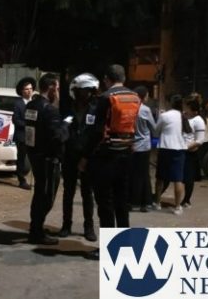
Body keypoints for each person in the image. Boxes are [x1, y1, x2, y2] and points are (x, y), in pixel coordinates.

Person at [80, 65, 141, 259]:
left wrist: (85, 156)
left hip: (106, 156)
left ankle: (108, 249)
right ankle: (125, 246)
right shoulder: (134, 97)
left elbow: (98, 131)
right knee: (122, 203)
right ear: (124, 78)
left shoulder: (106, 98)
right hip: (126, 154)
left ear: (107, 79)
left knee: (105, 205)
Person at [24, 73, 67, 245]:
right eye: (57, 88)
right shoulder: (49, 109)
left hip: (34, 154)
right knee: (47, 195)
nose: (57, 92)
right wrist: (66, 125)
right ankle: (36, 231)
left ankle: (36, 227)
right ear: (50, 88)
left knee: (39, 192)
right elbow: (58, 136)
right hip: (48, 158)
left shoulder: (31, 105)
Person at [56, 73, 97, 242]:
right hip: (70, 156)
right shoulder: (68, 109)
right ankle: (66, 225)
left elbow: (96, 134)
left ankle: (89, 227)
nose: (87, 94)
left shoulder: (95, 109)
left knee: (87, 193)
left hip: (88, 157)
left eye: (89, 90)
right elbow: (63, 128)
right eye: (84, 90)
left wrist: (88, 156)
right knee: (68, 192)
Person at [153, 94, 191, 215]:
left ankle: (157, 203)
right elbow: (188, 133)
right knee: (178, 179)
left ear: (170, 103)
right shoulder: (182, 116)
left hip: (165, 147)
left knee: (160, 177)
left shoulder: (164, 116)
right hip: (179, 149)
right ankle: (178, 206)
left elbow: (156, 131)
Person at [129, 85, 156, 213]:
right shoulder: (145, 110)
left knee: (132, 174)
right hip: (144, 146)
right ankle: (144, 202)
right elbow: (153, 128)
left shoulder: (129, 108)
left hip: (131, 145)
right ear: (144, 96)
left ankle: (132, 201)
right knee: (144, 174)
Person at [182, 97, 207, 208]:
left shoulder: (198, 121)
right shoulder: (184, 117)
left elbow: (199, 140)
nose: (185, 110)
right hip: (180, 150)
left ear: (194, 110)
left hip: (189, 153)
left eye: (187, 108)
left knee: (188, 178)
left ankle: (186, 200)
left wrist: (185, 148)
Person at [13, 77, 37, 190]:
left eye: (30, 89)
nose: (29, 91)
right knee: (21, 158)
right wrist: (27, 125)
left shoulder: (35, 102)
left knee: (35, 158)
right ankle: (21, 180)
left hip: (34, 136)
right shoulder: (18, 103)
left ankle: (37, 179)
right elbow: (16, 120)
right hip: (22, 135)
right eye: (26, 89)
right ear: (22, 91)